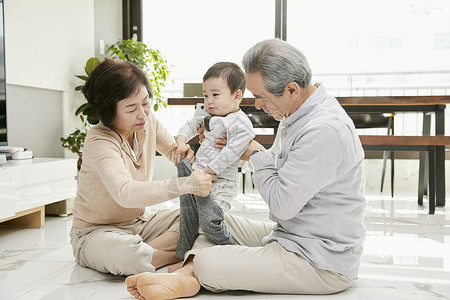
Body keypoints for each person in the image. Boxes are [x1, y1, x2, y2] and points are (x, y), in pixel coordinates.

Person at [125, 38, 366, 299]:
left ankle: (192, 272)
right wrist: (245, 153)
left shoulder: (323, 130)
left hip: (318, 259)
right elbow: (278, 167)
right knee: (213, 223)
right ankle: (189, 276)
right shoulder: (298, 115)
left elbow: (281, 204)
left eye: (261, 97)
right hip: (292, 234)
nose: (258, 105)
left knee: (209, 259)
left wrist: (253, 152)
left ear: (292, 90)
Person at [70, 59, 216, 276]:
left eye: (145, 103)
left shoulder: (147, 122)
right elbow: (126, 193)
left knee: (201, 216)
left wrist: (184, 150)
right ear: (108, 111)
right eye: (131, 108)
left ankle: (147, 252)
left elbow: (172, 150)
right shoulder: (99, 141)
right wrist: (187, 184)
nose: (142, 113)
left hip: (141, 224)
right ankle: (177, 253)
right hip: (95, 233)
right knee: (126, 256)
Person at [173, 62, 255, 260]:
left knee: (210, 222)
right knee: (188, 219)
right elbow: (190, 125)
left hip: (220, 183)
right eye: (206, 95)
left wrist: (209, 172)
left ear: (237, 96)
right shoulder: (206, 114)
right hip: (197, 178)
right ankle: (183, 256)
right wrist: (181, 141)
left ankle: (235, 252)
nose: (209, 100)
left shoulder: (240, 123)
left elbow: (231, 152)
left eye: (216, 95)